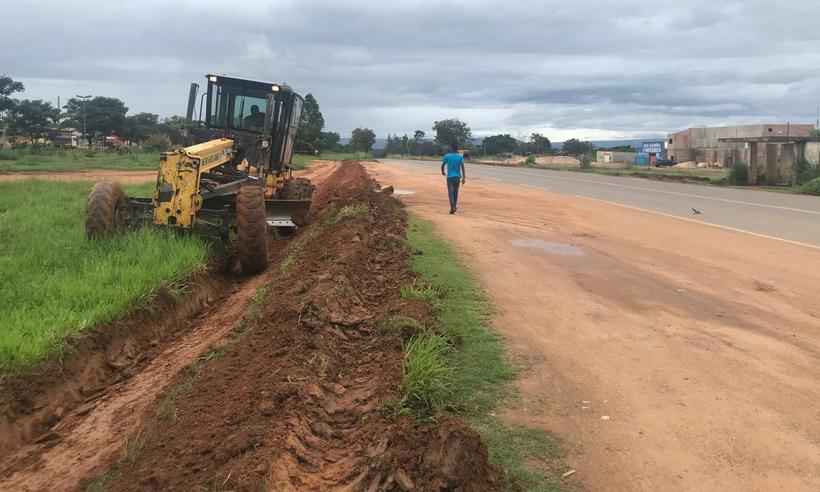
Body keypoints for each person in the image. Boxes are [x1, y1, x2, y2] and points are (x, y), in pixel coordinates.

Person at [441, 143, 466, 214]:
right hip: (457, 177)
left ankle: (452, 207)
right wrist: (464, 178)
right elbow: (462, 167)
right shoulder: (460, 157)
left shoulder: (447, 156)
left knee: (450, 193)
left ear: (451, 148)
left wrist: (443, 171)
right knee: (456, 192)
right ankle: (454, 206)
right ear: (457, 149)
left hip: (450, 177)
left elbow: (443, 165)